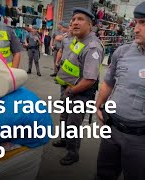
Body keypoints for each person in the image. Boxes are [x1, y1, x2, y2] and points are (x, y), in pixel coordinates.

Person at [95, 2, 145, 180]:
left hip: (140, 140)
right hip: (112, 130)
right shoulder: (122, 52)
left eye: (143, 23)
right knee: (103, 174)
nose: (136, 29)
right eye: (136, 22)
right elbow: (109, 83)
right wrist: (98, 105)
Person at [54, 7, 104, 165]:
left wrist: (71, 90)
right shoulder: (78, 40)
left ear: (90, 26)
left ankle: (72, 153)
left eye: (80, 19)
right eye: (73, 19)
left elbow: (90, 79)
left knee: (73, 124)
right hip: (69, 89)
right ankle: (65, 140)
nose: (75, 22)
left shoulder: (92, 47)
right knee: (65, 118)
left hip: (80, 93)